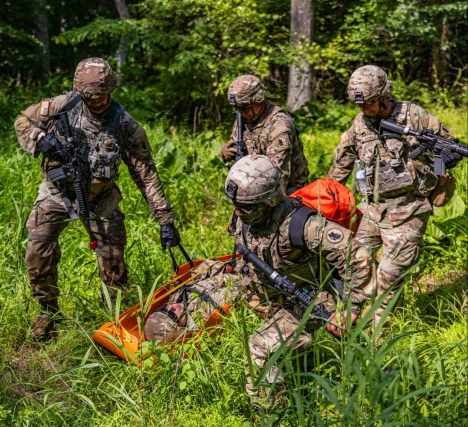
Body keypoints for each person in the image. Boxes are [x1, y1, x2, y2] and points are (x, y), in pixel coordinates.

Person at [145, 155, 370, 405]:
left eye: (247, 207)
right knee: (197, 296)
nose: (239, 213)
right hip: (261, 287)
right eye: (236, 205)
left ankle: (273, 414)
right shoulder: (242, 216)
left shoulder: (303, 226)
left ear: (270, 199)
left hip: (309, 298)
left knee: (259, 349)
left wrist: (350, 308)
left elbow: (356, 255)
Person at [14, 57, 180, 340]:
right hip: (58, 194)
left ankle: (113, 318)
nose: (99, 102)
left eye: (103, 95)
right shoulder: (58, 107)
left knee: (113, 260)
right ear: (80, 93)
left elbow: (145, 172)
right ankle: (48, 310)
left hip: (100, 198)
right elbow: (22, 121)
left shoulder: (124, 124)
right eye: (92, 97)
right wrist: (40, 137)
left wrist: (165, 219)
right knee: (37, 249)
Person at [327, 64, 462, 327]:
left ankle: (376, 335)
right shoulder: (360, 124)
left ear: (383, 97)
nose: (364, 110)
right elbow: (341, 164)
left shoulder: (416, 117)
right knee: (350, 259)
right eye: (361, 104)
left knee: (389, 275)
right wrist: (326, 197)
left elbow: (446, 150)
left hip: (409, 211)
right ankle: (350, 311)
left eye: (369, 103)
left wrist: (442, 162)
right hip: (372, 210)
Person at [220, 74, 309, 194]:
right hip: (255, 187)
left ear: (258, 100)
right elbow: (237, 146)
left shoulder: (279, 126)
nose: (241, 113)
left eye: (245, 108)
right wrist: (226, 152)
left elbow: (278, 175)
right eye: (237, 109)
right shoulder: (244, 118)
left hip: (289, 192)